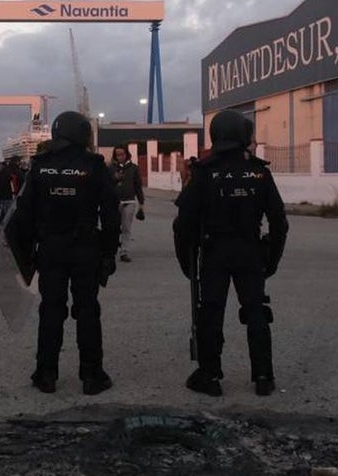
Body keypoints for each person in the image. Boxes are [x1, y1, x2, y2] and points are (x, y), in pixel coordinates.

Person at [173, 109, 288, 398]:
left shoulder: (204, 171)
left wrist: (186, 262)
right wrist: (271, 259)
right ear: (242, 134)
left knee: (210, 314)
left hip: (215, 252)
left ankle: (209, 376)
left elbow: (182, 223)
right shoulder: (259, 172)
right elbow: (279, 222)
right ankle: (263, 376)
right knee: (257, 312)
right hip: (249, 251)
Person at [8, 111, 120, 395]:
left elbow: (22, 217)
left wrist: (27, 260)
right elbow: (111, 215)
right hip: (85, 248)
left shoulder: (40, 167)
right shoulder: (94, 166)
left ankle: (46, 374)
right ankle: (92, 375)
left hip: (50, 249)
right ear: (83, 133)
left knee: (51, 311)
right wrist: (108, 254)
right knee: (87, 311)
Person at [109, 145, 146, 262]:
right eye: (118, 154)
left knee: (126, 227)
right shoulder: (110, 168)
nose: (120, 157)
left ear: (127, 154)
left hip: (129, 201)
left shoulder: (133, 168)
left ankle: (124, 252)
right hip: (114, 201)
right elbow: (106, 184)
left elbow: (138, 186)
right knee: (114, 226)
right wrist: (114, 178)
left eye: (122, 154)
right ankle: (112, 248)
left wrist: (141, 202)